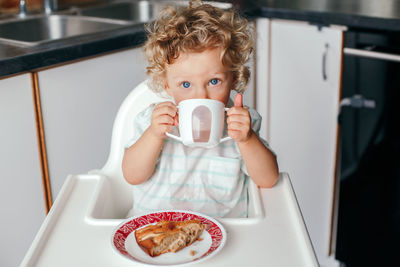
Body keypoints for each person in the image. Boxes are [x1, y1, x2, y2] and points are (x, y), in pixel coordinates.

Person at [122, 0, 278, 218]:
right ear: (167, 85)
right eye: (185, 85)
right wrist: (153, 135)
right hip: (157, 228)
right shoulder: (152, 120)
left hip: (227, 234)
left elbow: (269, 179)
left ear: (233, 78)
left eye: (214, 81)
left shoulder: (242, 123)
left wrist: (247, 139)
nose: (201, 96)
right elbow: (132, 175)